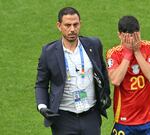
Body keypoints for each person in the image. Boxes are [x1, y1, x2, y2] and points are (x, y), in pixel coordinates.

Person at [35, 7, 111, 135]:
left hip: (91, 116)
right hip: (63, 118)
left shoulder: (94, 45)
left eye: (75, 24)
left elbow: (102, 71)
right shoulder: (48, 52)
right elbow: (41, 84)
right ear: (59, 26)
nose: (72, 29)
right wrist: (42, 106)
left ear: (80, 24)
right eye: (67, 25)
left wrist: (106, 94)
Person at [106, 16, 150, 135]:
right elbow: (115, 80)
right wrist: (128, 54)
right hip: (124, 121)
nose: (131, 40)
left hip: (149, 120)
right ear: (119, 35)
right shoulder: (114, 53)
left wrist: (137, 52)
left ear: (139, 34)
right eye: (127, 37)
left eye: (134, 36)